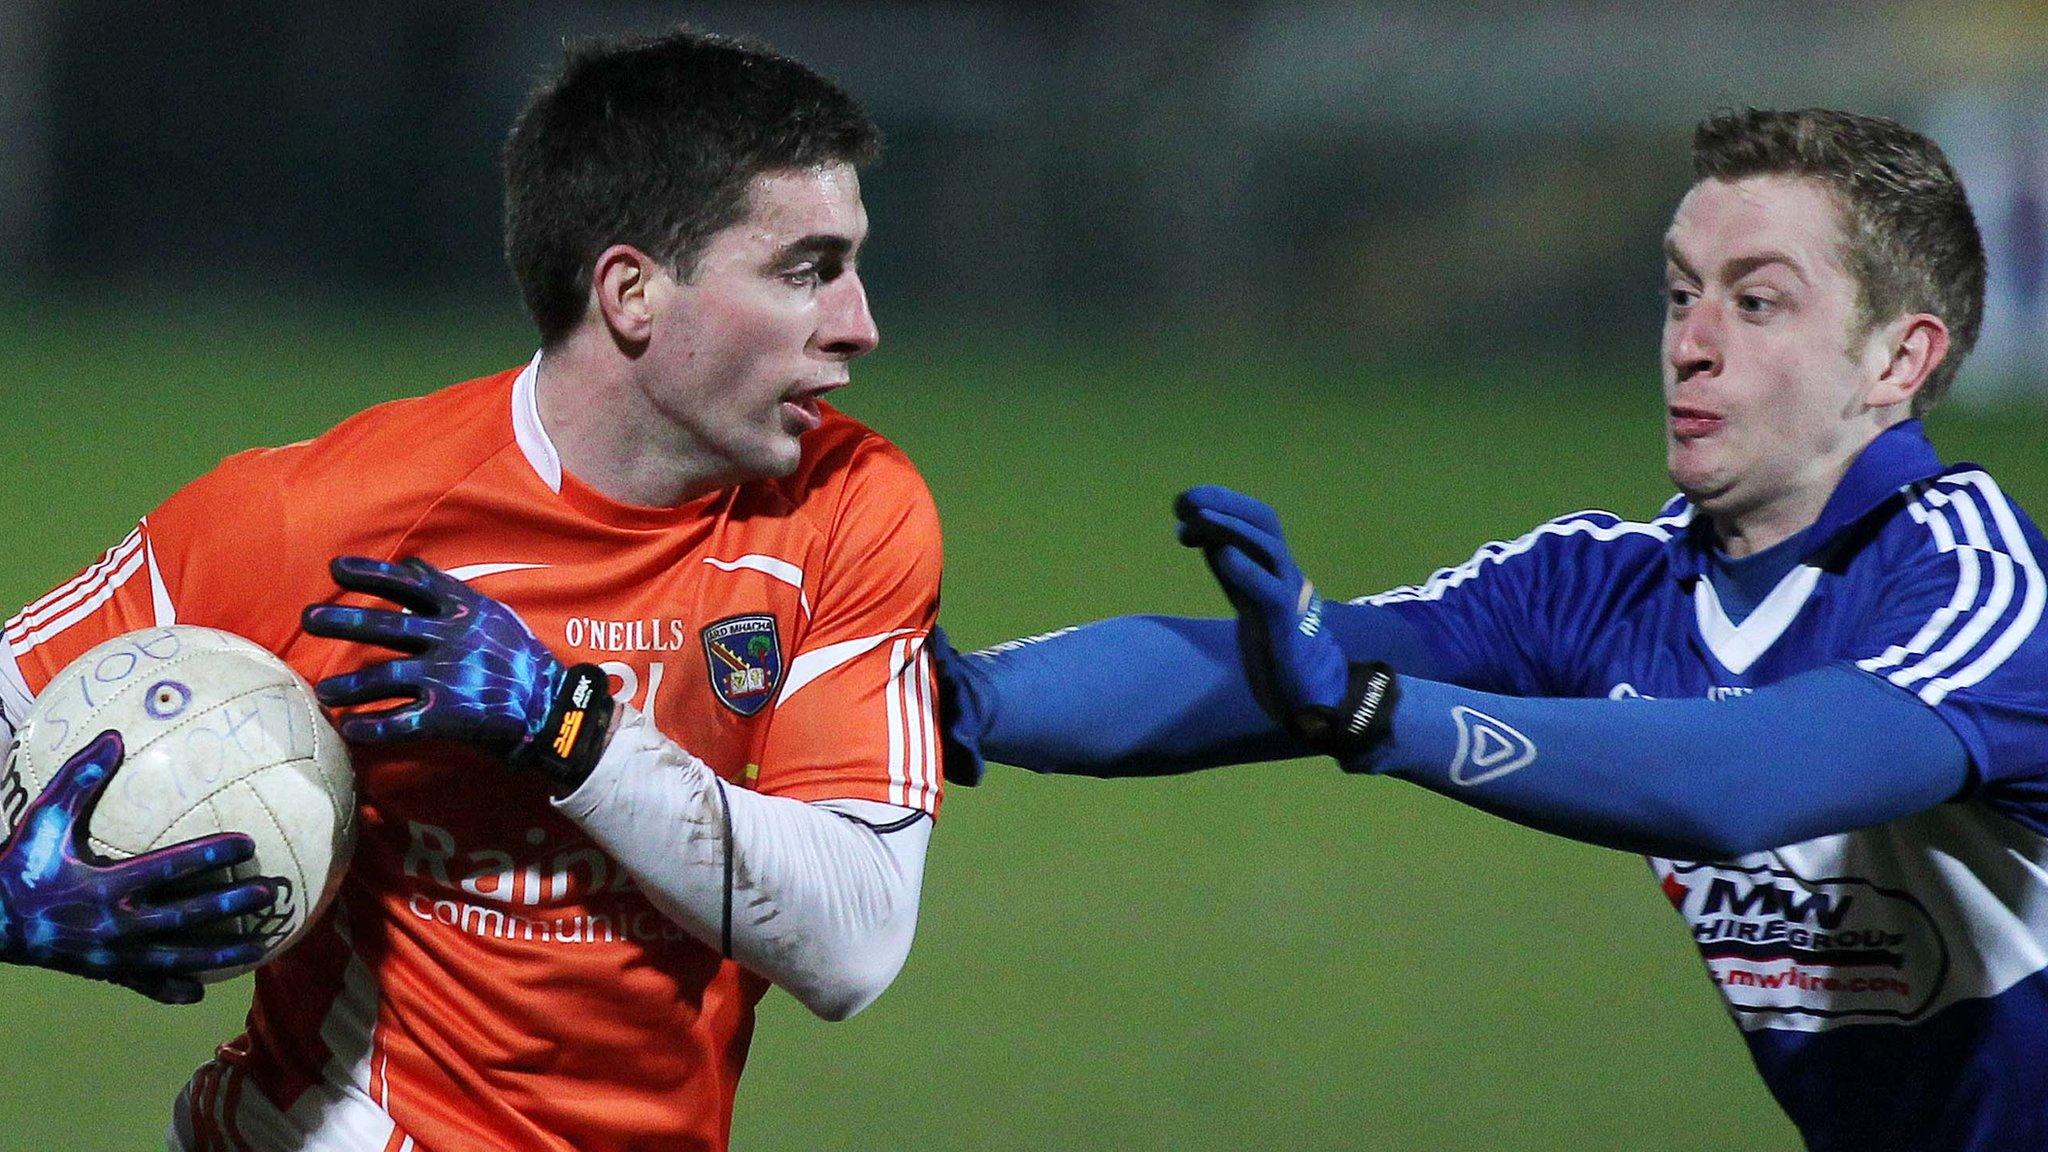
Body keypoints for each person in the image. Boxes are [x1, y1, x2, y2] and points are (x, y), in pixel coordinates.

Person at [939, 108, 2048, 1151]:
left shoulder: (1977, 588)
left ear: (1896, 360)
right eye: (1676, 294)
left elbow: (1739, 784)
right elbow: (1284, 670)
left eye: (1754, 303)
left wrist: (1378, 714)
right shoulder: (1599, 580)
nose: (1688, 345)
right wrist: (953, 698)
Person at [0, 28, 942, 1152]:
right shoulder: (323, 521)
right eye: (806, 270)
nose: (859, 324)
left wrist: (565, 729)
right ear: (633, 293)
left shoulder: (848, 508)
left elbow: (854, 944)